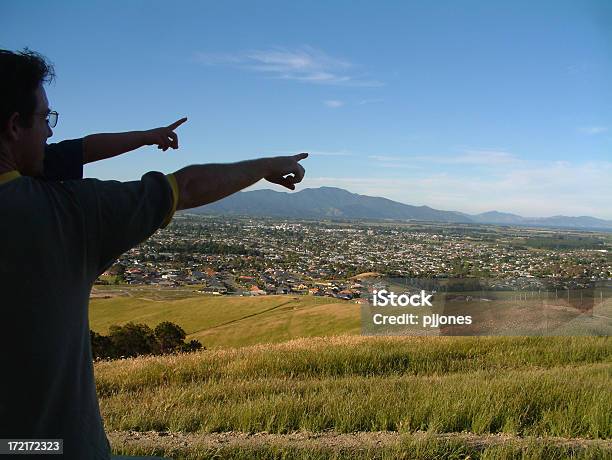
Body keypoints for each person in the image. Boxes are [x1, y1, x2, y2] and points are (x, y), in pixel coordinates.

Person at [0, 48, 307, 460]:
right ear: (14, 126)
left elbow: (75, 150)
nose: (51, 133)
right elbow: (188, 185)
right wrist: (267, 164)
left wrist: (147, 136)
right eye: (45, 119)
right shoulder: (62, 213)